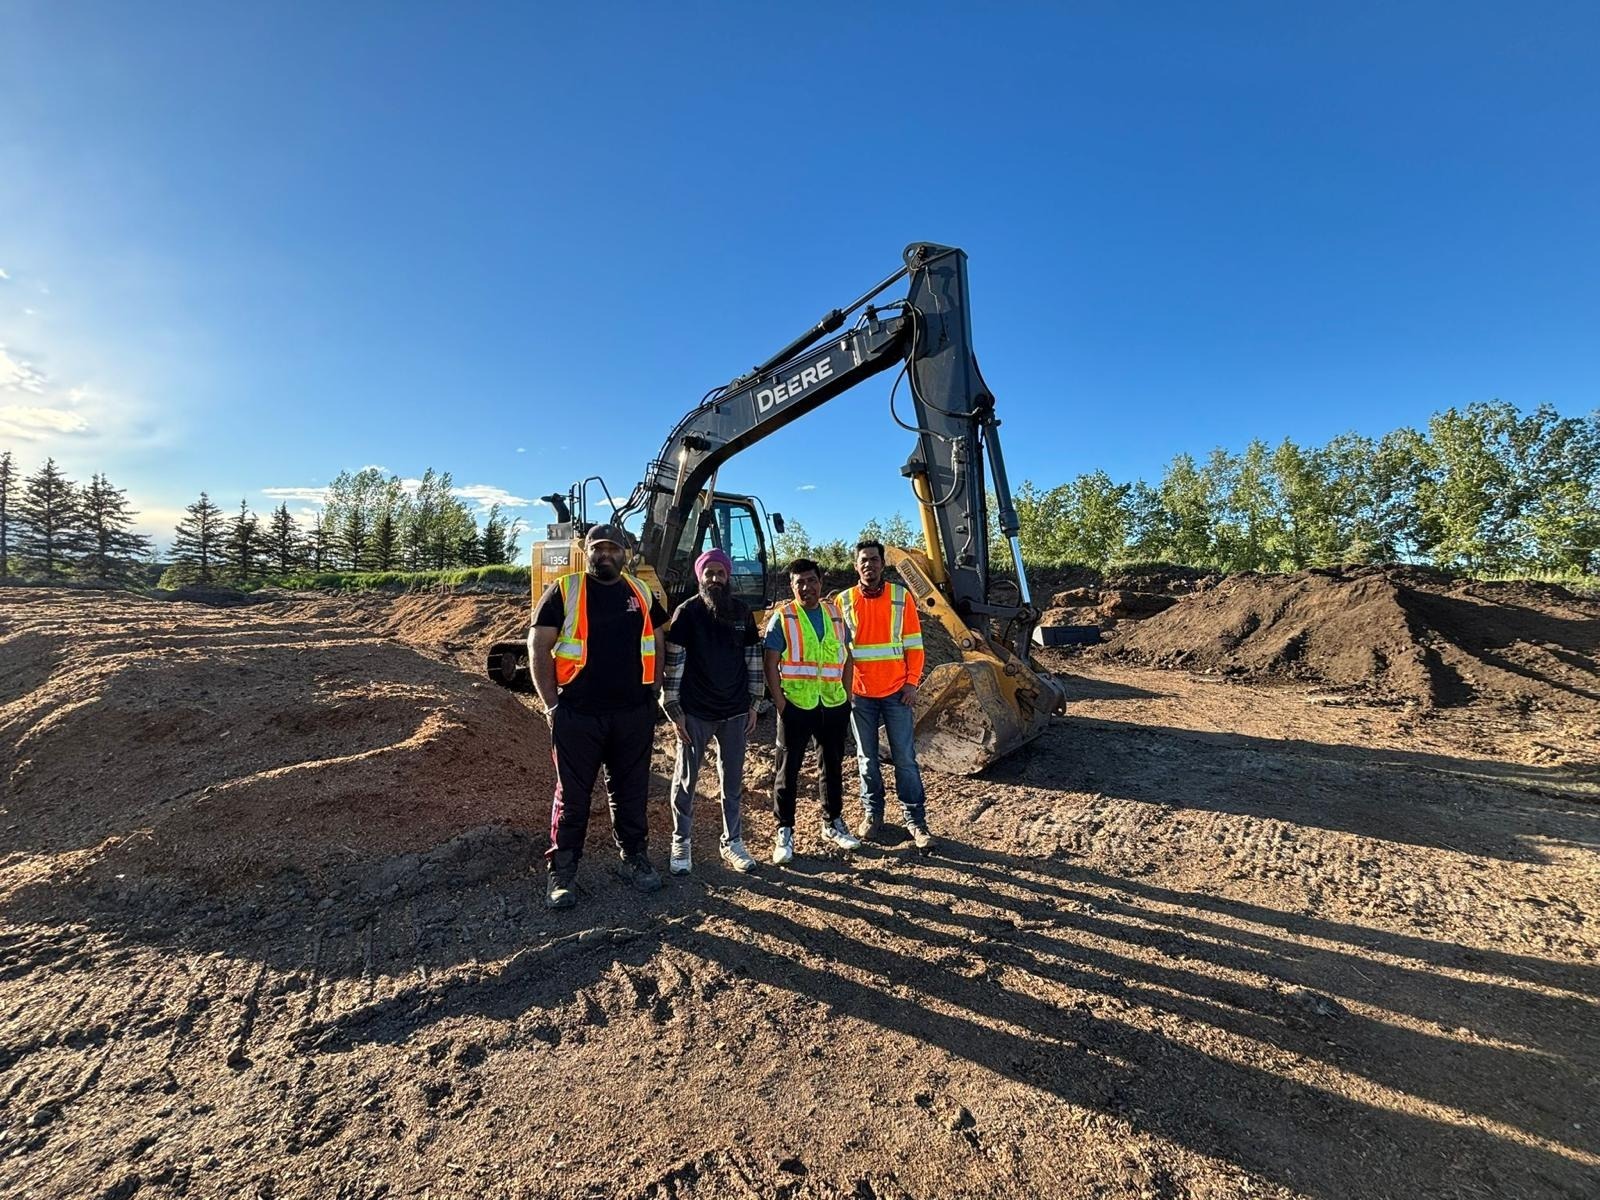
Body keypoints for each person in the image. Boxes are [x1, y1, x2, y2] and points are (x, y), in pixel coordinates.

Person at [529, 523, 670, 909]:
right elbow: (539, 646)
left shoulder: (640, 590)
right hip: (578, 714)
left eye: (613, 548)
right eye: (598, 548)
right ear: (585, 550)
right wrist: (552, 705)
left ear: (625, 552)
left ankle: (633, 858)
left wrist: (653, 692)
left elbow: (657, 639)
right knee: (572, 797)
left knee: (632, 791)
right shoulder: (564, 589)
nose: (605, 554)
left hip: (632, 714)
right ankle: (562, 871)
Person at [660, 548, 762, 875]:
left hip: (734, 713)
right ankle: (681, 841)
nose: (715, 579)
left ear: (728, 576)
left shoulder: (742, 613)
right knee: (686, 781)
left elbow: (753, 662)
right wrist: (675, 711)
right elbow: (674, 665)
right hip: (695, 713)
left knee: (732, 782)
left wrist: (755, 704)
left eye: (720, 573)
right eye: (709, 573)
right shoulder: (687, 614)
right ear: (699, 576)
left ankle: (732, 841)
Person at [763, 557, 860, 864]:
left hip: (832, 704)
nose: (807, 587)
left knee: (831, 767)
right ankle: (784, 830)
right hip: (797, 705)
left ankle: (832, 823)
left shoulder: (834, 614)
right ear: (792, 587)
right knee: (787, 771)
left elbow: (846, 658)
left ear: (821, 582)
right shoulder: (784, 617)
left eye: (812, 580)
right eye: (799, 582)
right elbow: (770, 664)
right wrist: (781, 704)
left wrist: (845, 696)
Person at [838, 539, 933, 849]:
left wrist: (911, 683)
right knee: (866, 760)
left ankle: (915, 821)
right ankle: (872, 815)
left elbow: (914, 645)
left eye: (875, 560)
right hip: (859, 695)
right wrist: (843, 689)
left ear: (883, 564)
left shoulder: (900, 597)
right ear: (856, 565)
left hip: (896, 692)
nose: (869, 565)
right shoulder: (844, 601)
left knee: (905, 759)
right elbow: (839, 651)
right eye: (864, 560)